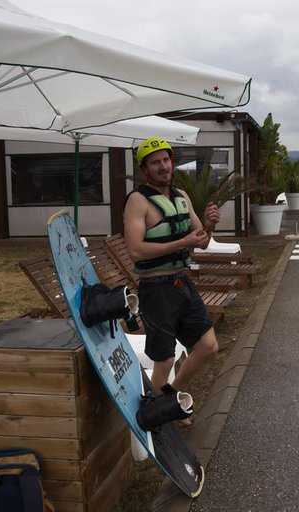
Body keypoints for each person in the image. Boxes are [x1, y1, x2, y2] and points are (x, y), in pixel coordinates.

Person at [123, 137, 221, 421]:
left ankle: (165, 401)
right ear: (145, 169)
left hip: (181, 282)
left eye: (166, 160)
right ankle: (153, 419)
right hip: (155, 289)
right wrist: (181, 244)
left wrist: (209, 224)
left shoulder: (180, 196)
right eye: (156, 162)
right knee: (164, 359)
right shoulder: (138, 201)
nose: (163, 166)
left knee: (208, 346)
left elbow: (200, 242)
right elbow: (135, 251)